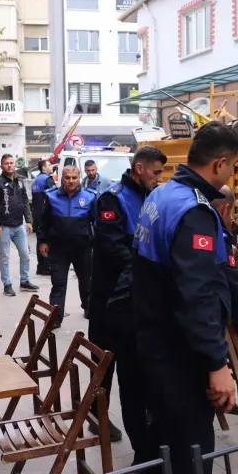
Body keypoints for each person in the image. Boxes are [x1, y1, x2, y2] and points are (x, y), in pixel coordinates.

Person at [132, 121, 238, 474]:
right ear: (218, 164)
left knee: (162, 434)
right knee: (192, 449)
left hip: (154, 343)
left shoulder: (161, 195)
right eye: (233, 166)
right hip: (181, 354)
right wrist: (217, 364)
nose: (232, 173)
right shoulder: (194, 212)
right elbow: (196, 296)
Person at [87, 146, 167, 453]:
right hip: (110, 298)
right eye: (156, 172)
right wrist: (147, 270)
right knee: (105, 362)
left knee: (134, 365)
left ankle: (144, 425)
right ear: (139, 169)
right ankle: (97, 412)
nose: (159, 178)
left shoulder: (152, 197)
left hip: (137, 297)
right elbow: (113, 247)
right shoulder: (113, 197)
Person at [38, 165, 95, 328]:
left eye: (74, 178)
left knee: (86, 282)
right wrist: (43, 241)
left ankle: (89, 309)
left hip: (82, 248)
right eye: (67, 177)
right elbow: (44, 222)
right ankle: (56, 317)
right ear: (61, 178)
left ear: (79, 178)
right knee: (58, 283)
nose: (71, 181)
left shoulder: (90, 197)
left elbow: (96, 223)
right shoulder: (51, 197)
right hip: (58, 249)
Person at [0, 154, 39, 297]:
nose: (9, 165)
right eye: (6, 163)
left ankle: (25, 281)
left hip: (19, 225)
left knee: (26, 255)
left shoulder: (20, 181)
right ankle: (7, 284)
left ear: (15, 164)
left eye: (11, 163)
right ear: (1, 166)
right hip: (3, 227)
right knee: (5, 257)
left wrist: (28, 220)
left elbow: (25, 202)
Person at [211, 185, 238, 333]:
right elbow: (234, 287)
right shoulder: (219, 238)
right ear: (225, 209)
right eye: (231, 214)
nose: (231, 220)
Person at [31, 160, 56, 276]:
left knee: (40, 240)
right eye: (49, 165)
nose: (51, 167)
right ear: (43, 168)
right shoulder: (47, 180)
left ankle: (40, 267)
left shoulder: (36, 180)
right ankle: (47, 267)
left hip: (36, 214)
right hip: (45, 215)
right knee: (48, 240)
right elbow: (54, 197)